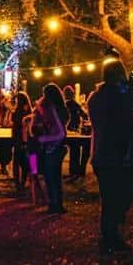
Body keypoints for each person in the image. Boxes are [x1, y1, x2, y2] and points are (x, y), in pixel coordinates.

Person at [88, 60, 133, 255]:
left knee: (109, 197)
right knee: (123, 194)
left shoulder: (96, 97)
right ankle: (112, 235)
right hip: (120, 154)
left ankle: (110, 234)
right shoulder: (121, 96)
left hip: (102, 153)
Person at [33, 84, 68, 214]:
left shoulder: (46, 109)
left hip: (44, 147)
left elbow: (35, 130)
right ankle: (56, 203)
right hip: (56, 146)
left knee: (46, 176)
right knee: (55, 176)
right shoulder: (60, 109)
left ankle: (51, 203)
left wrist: (42, 138)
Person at [65, 85, 91, 180]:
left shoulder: (66, 104)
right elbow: (84, 115)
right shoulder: (74, 104)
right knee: (75, 150)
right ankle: (76, 171)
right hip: (74, 129)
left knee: (74, 150)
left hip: (69, 129)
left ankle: (73, 171)